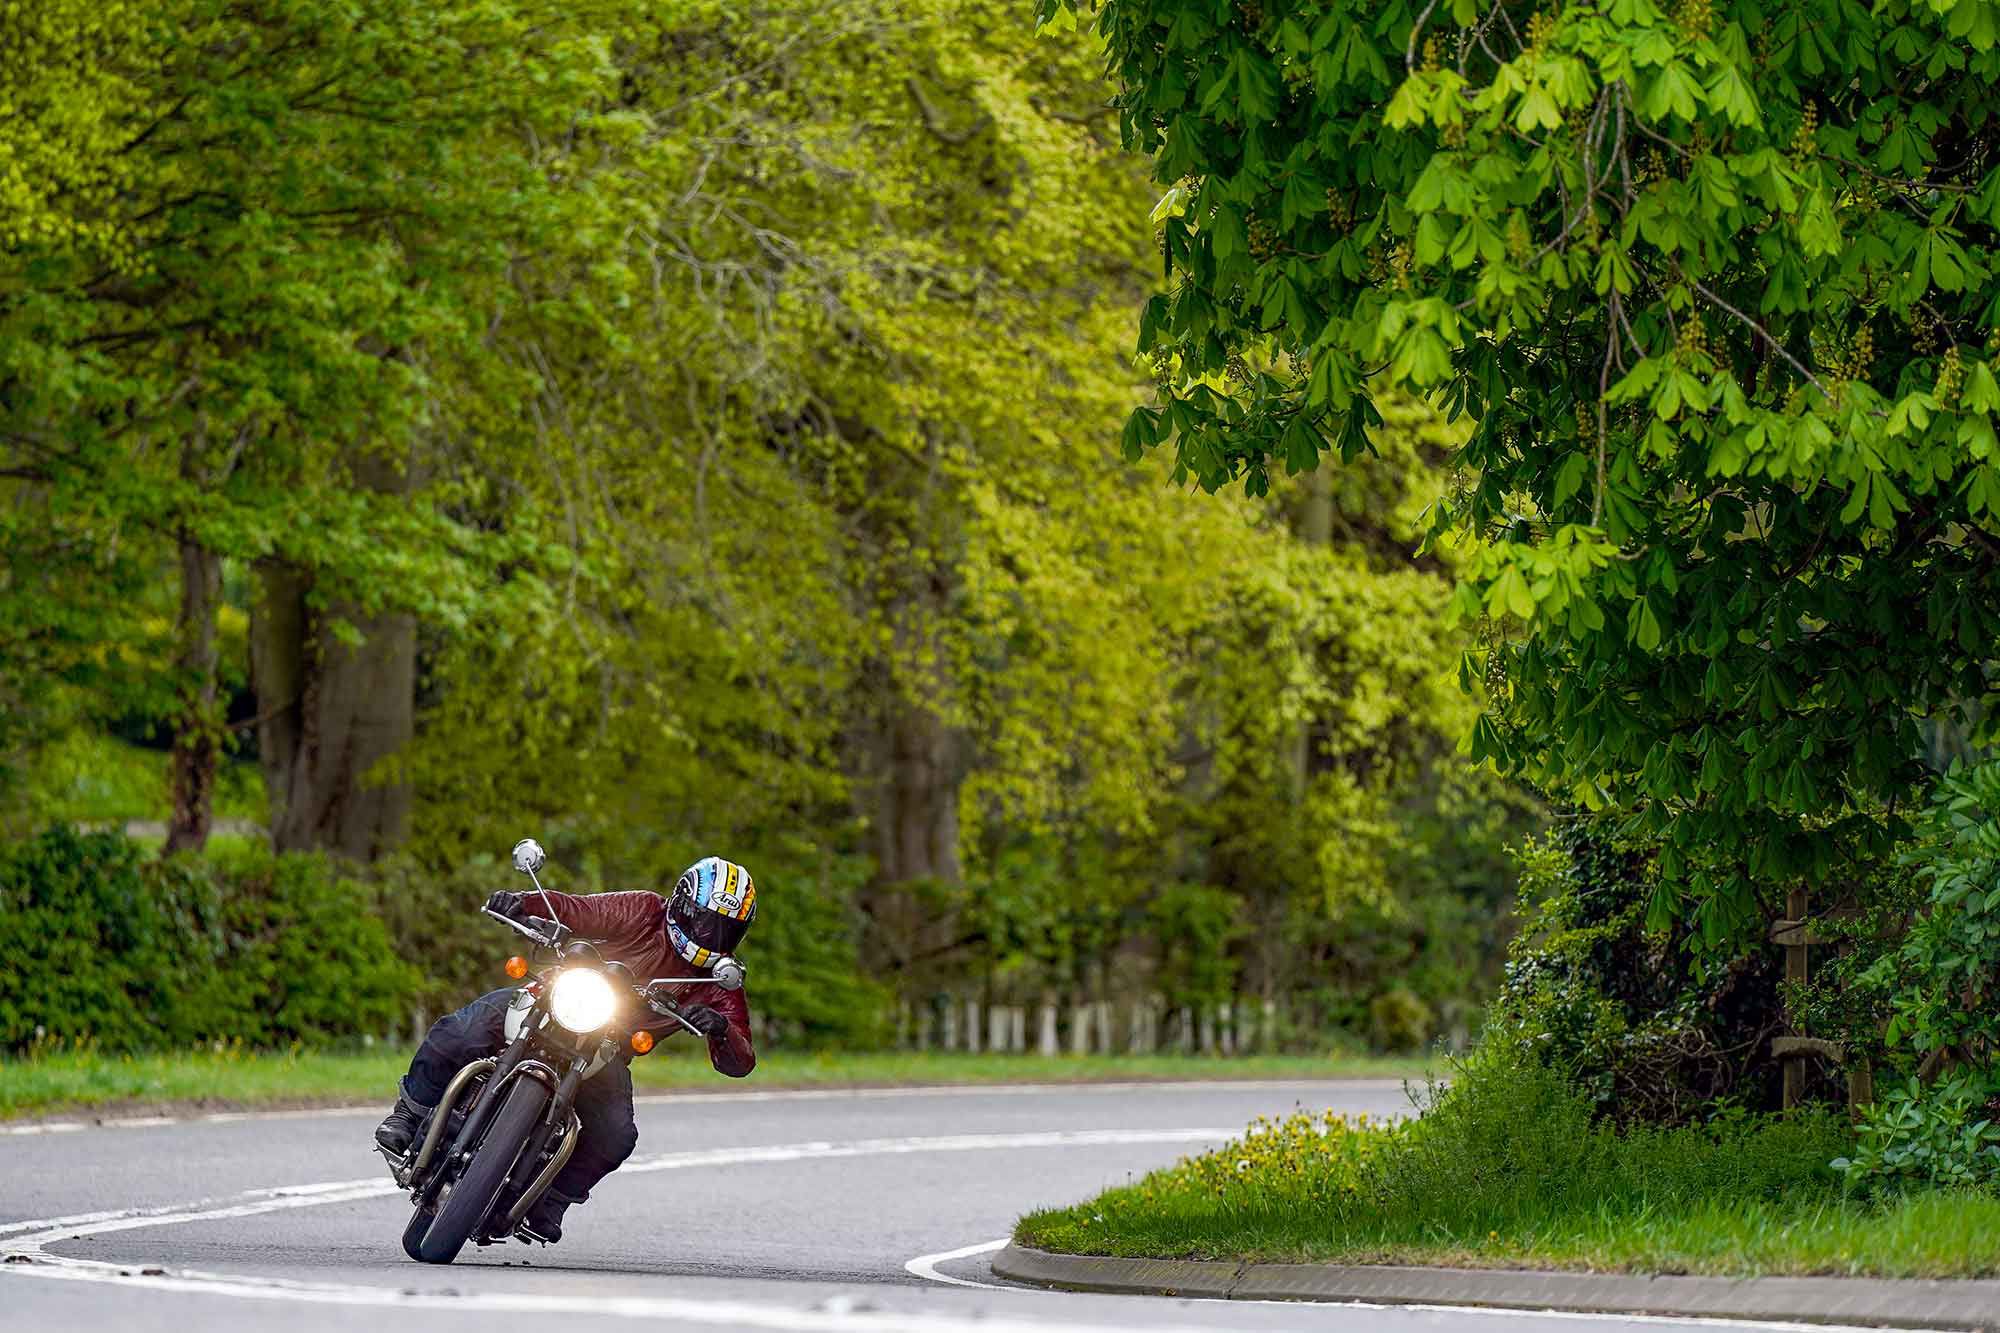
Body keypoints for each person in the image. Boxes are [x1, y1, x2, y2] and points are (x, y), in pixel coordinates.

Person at [374, 856, 758, 1243]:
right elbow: (581, 909)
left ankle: (550, 1201)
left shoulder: (718, 981)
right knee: (459, 1032)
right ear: (682, 904)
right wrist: (525, 903)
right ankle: (408, 1116)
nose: (713, 937)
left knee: (616, 1135)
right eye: (707, 922)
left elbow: (741, 1062)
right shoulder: (644, 910)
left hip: (606, 1047)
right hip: (553, 1000)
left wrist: (723, 1029)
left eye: (727, 930)